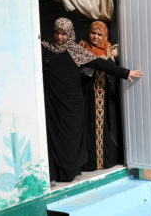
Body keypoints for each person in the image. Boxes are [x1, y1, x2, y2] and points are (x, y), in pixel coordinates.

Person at [42, 17, 143, 184]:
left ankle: (72, 172)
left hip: (72, 104)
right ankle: (53, 174)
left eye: (64, 34)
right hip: (52, 102)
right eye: (57, 33)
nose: (60, 37)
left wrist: (126, 73)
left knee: (72, 137)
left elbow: (100, 64)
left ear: (70, 34)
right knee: (53, 136)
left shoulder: (76, 50)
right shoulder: (44, 48)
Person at [79, 21, 125, 171]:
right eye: (93, 33)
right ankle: (90, 163)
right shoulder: (81, 48)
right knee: (88, 127)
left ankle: (107, 161)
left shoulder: (110, 50)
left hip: (106, 98)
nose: (96, 37)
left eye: (100, 34)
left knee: (108, 126)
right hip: (87, 99)